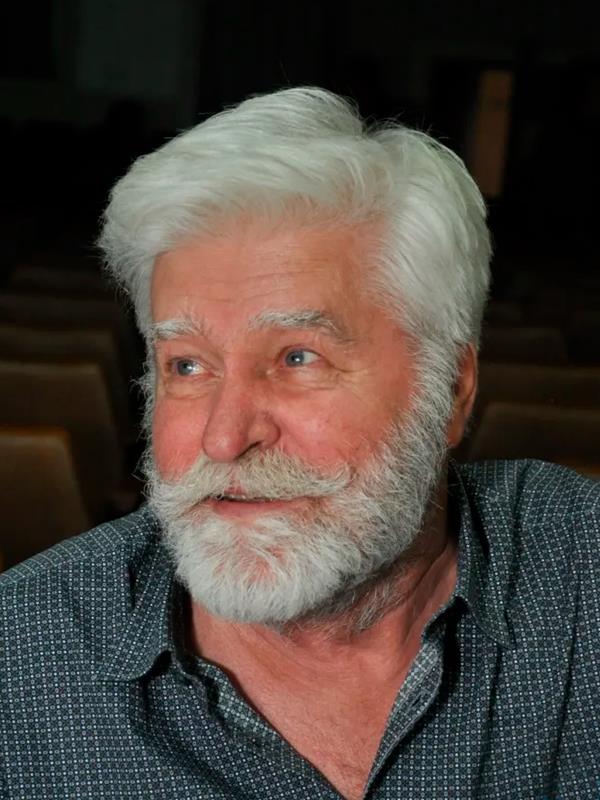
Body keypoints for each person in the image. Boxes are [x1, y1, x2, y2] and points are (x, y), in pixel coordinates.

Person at [1, 88, 598, 800]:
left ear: (451, 388)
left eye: (297, 358)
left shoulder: (583, 578)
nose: (225, 438)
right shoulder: (21, 660)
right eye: (186, 366)